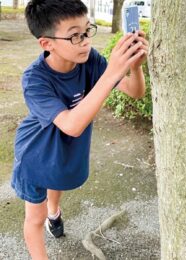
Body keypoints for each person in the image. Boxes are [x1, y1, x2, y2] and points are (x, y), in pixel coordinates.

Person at [10, 0, 148, 259]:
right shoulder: (34, 79)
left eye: (86, 31)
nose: (85, 41)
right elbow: (72, 125)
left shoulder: (90, 60)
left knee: (58, 177)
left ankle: (55, 212)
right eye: (74, 35)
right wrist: (112, 72)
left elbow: (135, 92)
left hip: (65, 149)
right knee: (35, 219)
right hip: (34, 153)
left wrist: (134, 66)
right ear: (46, 43)